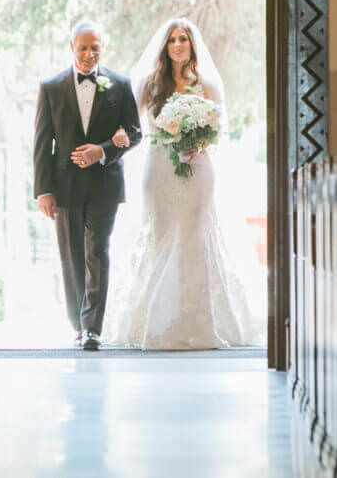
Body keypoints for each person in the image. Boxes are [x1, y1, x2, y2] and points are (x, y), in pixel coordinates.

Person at [103, 18, 264, 349]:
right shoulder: (151, 84)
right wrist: (118, 136)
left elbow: (218, 131)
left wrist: (198, 143)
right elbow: (132, 127)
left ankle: (198, 321)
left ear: (192, 46)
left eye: (183, 40)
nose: (177, 45)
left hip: (198, 168)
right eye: (172, 40)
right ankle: (157, 322)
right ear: (164, 47)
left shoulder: (208, 85)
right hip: (160, 167)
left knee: (194, 236)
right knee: (162, 237)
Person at [33, 20, 142, 351]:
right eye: (82, 47)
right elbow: (41, 143)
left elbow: (134, 132)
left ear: (102, 47)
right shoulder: (50, 88)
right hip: (64, 187)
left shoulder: (120, 85)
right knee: (71, 256)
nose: (88, 53)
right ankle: (77, 323)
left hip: (104, 185)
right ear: (71, 47)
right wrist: (43, 191)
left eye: (95, 47)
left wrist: (104, 151)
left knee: (97, 250)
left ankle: (92, 327)